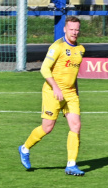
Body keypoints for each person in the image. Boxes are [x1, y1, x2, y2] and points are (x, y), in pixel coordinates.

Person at [18, 16, 86, 175]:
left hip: (70, 94)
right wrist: (56, 88)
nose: (74, 32)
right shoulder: (57, 47)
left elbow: (73, 74)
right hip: (52, 92)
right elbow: (44, 69)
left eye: (77, 29)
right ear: (65, 29)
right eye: (71, 29)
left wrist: (75, 91)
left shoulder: (80, 49)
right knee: (47, 127)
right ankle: (25, 148)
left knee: (76, 126)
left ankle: (71, 164)